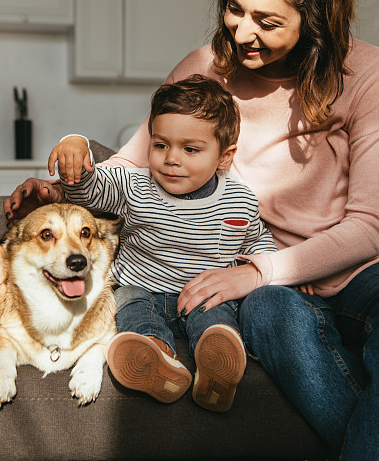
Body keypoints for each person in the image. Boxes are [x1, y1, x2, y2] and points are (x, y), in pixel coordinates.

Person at [4, 0, 379, 458]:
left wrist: (257, 272)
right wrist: (62, 185)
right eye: (235, 9)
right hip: (273, 285)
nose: (243, 33)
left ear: (315, 19)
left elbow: (367, 227)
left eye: (267, 21)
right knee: (271, 317)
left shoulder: (370, 72)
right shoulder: (205, 68)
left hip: (361, 267)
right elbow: (134, 168)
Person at [50, 74, 277, 413]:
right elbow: (87, 191)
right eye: (160, 145)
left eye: (190, 149)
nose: (171, 158)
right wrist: (75, 144)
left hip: (202, 293)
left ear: (225, 157)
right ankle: (156, 358)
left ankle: (216, 365)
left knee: (216, 317)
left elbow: (257, 240)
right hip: (141, 288)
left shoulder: (240, 199)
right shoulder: (133, 185)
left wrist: (272, 267)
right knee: (130, 307)